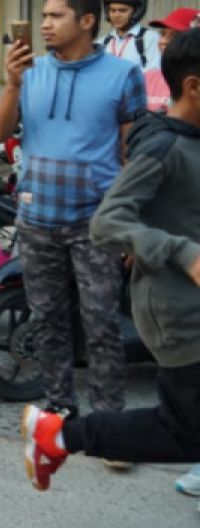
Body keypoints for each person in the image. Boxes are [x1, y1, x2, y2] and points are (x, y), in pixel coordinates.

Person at [22, 28, 200, 492]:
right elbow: (109, 222)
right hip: (182, 313)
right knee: (181, 432)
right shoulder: (163, 147)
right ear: (194, 86)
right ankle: (59, 433)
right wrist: (182, 252)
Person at [0, 0, 146, 465]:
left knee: (101, 324)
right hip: (36, 217)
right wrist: (12, 84)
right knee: (48, 320)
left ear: (87, 21)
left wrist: (131, 220)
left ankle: (109, 429)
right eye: (42, 15)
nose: (43, 24)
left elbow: (133, 151)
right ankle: (59, 414)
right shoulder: (29, 73)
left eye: (56, 15)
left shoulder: (123, 74)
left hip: (95, 220)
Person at [143, 8, 199, 113]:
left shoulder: (196, 84)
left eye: (174, 36)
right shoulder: (147, 77)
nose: (163, 41)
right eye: (163, 34)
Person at [101, 0, 161, 72]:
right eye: (112, 10)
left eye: (122, 10)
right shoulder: (102, 43)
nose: (116, 15)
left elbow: (154, 73)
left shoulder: (150, 39)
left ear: (136, 12)